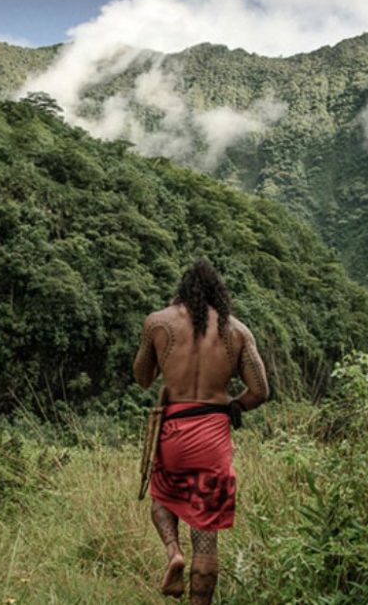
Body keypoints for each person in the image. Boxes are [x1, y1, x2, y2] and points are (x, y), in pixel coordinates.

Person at [133, 259, 269, 604]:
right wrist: (235, 406)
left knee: (162, 499)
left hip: (174, 432)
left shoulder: (157, 323)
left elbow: (143, 377)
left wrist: (153, 349)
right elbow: (260, 391)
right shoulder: (237, 331)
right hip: (212, 436)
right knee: (206, 537)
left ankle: (173, 552)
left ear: (182, 290)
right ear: (219, 295)